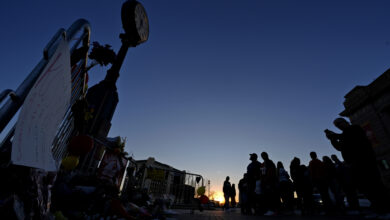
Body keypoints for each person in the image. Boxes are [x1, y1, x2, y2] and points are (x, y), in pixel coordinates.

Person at [325, 118, 390, 218]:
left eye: (339, 123)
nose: (338, 125)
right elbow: (339, 147)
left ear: (345, 121)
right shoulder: (344, 135)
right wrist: (332, 140)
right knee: (364, 187)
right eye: (336, 125)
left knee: (375, 184)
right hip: (354, 164)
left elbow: (352, 137)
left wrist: (336, 135)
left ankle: (386, 209)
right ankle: (379, 209)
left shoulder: (355, 129)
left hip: (365, 161)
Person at [260, 152, 279, 216]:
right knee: (267, 196)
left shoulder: (270, 162)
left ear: (267, 155)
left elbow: (272, 172)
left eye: (264, 155)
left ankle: (272, 210)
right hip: (265, 182)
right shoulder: (263, 164)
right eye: (262, 155)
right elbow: (262, 173)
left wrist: (269, 180)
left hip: (270, 181)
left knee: (271, 195)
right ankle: (270, 210)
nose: (263, 156)